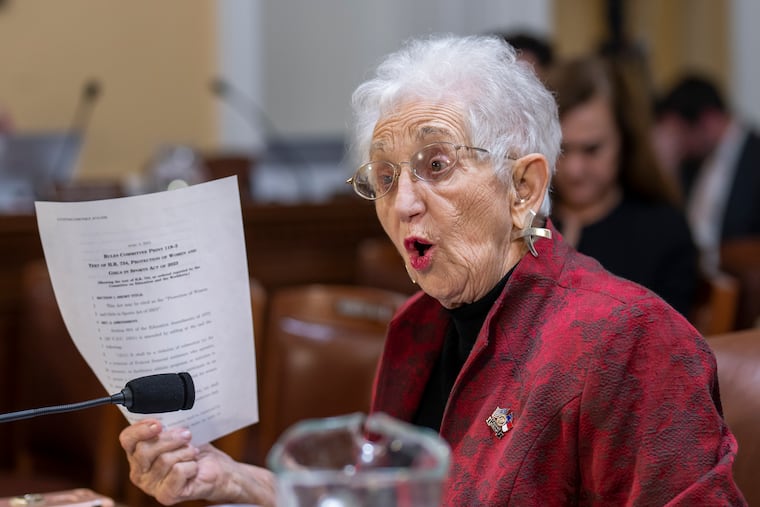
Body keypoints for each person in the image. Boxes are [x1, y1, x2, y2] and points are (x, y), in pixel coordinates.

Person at [119, 34, 746, 506]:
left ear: (524, 186)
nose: (403, 203)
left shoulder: (628, 339)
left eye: (436, 165)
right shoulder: (417, 328)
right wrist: (232, 479)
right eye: (385, 177)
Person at [545, 56, 698, 318]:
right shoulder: (523, 223)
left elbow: (668, 345)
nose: (574, 169)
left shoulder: (662, 231)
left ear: (626, 142)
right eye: (562, 150)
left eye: (592, 149)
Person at [654, 74, 760, 275]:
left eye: (683, 133)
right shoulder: (694, 163)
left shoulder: (754, 158)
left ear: (708, 121)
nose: (681, 144)